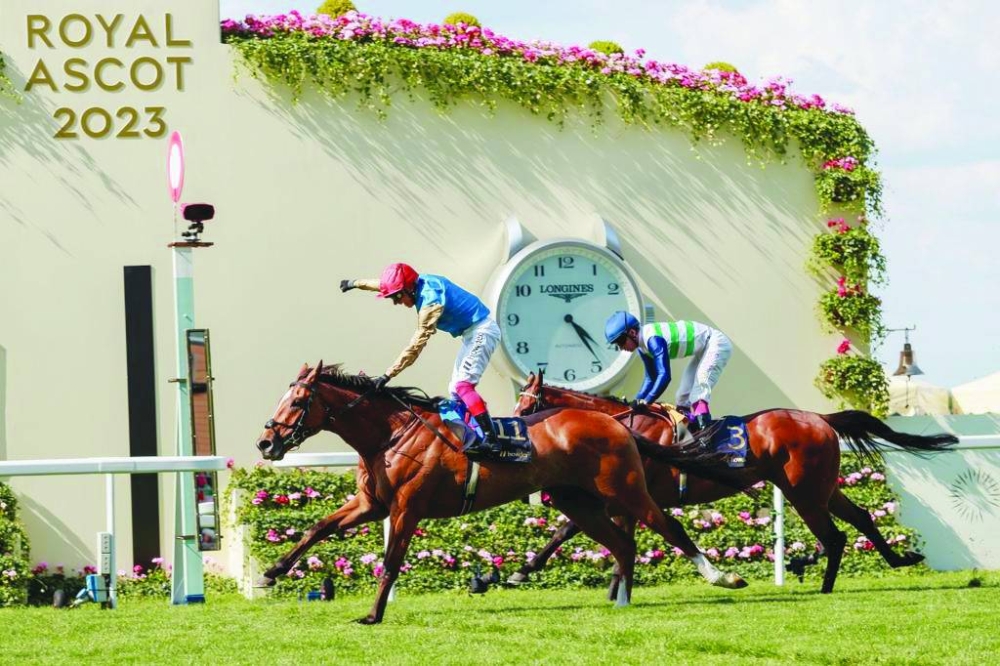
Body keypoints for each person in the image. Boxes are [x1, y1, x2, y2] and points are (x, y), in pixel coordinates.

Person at [340, 263, 502, 453]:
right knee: (455, 391)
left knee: (463, 386)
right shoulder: (416, 283)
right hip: (471, 333)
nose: (396, 302)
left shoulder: (430, 302)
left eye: (397, 297)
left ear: (409, 289)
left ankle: (492, 441)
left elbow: (416, 345)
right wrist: (354, 283)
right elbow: (383, 284)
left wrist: (387, 375)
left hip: (482, 331)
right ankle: (474, 436)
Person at [604, 311, 732, 432]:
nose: (621, 347)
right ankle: (691, 432)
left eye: (620, 341)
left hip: (716, 343)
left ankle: (707, 437)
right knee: (682, 398)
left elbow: (664, 376)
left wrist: (646, 401)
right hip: (704, 348)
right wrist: (636, 402)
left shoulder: (652, 339)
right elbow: (651, 378)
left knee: (698, 393)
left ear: (632, 333)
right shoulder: (642, 348)